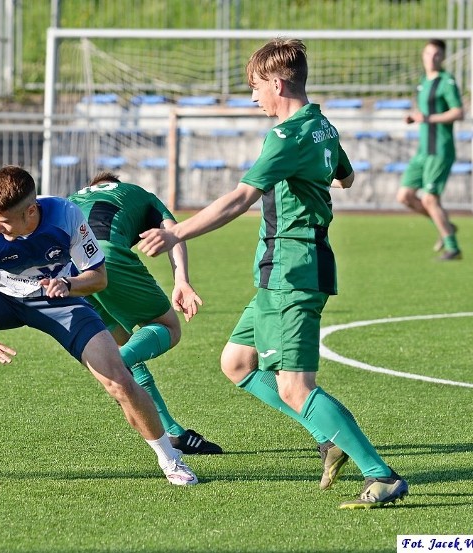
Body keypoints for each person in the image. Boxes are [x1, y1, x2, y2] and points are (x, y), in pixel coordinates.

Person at [137, 38, 409, 509]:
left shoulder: (288, 136)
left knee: (294, 385)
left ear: (278, 83)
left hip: (292, 270)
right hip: (282, 271)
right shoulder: (322, 126)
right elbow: (346, 176)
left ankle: (380, 473)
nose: (253, 98)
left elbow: (240, 199)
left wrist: (176, 233)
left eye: (256, 87)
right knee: (237, 363)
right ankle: (330, 436)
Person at [0, 165, 198, 486]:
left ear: (31, 210)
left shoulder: (66, 215)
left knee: (119, 380)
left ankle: (170, 459)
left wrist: (69, 285)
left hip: (57, 299)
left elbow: (98, 278)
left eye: (5, 222)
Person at [68, 171, 222, 455]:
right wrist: (182, 281)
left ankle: (174, 434)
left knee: (122, 343)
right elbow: (172, 233)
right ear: (116, 183)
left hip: (70, 271)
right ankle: (113, 365)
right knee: (168, 328)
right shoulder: (137, 194)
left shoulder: (72, 199)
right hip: (108, 257)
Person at [397, 39, 464, 261]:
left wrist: (427, 118)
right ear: (423, 55)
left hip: (440, 149)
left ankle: (452, 248)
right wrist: (414, 117)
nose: (431, 58)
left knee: (430, 199)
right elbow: (423, 112)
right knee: (404, 196)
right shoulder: (424, 81)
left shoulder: (447, 81)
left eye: (436, 54)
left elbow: (458, 112)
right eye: (428, 53)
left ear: (443, 57)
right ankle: (447, 225)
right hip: (423, 150)